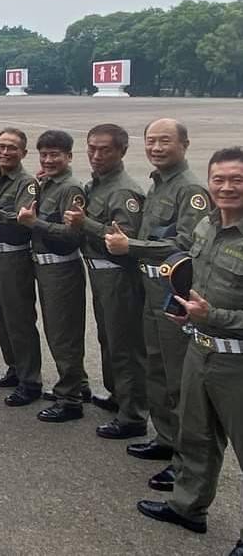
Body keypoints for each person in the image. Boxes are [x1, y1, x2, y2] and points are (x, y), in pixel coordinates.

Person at [137, 146, 243, 554]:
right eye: (219, 179)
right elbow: (192, 279)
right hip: (200, 348)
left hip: (236, 358)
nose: (226, 187)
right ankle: (188, 507)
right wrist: (185, 311)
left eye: (236, 179)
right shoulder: (205, 227)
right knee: (196, 436)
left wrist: (213, 315)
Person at [104, 119, 210, 492]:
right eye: (151, 141)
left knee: (179, 379)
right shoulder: (158, 183)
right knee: (156, 368)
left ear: (185, 144)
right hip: (149, 287)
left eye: (165, 141)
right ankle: (166, 439)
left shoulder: (190, 189)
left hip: (172, 291)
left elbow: (186, 244)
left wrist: (131, 247)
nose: (157, 147)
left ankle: (185, 463)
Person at [65, 124, 148, 438]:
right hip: (100, 273)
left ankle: (133, 415)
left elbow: (126, 240)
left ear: (122, 151)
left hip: (118, 275)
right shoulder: (97, 185)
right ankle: (119, 396)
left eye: (105, 150)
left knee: (124, 345)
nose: (96, 155)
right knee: (109, 340)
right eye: (92, 148)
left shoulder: (123, 191)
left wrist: (85, 223)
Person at [17, 130, 90, 420]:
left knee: (63, 335)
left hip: (62, 268)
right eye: (44, 155)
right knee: (56, 331)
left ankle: (69, 400)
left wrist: (35, 223)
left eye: (55, 155)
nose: (48, 160)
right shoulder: (47, 184)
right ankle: (78, 385)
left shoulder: (70, 188)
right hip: (45, 267)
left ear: (69, 156)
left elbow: (72, 235)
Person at [0, 128, 42, 406]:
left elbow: (24, 220)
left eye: (12, 148)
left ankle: (31, 381)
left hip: (15, 258)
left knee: (19, 320)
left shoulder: (27, 183)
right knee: (1, 317)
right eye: (1, 146)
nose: (5, 152)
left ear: (23, 153)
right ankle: (14, 368)